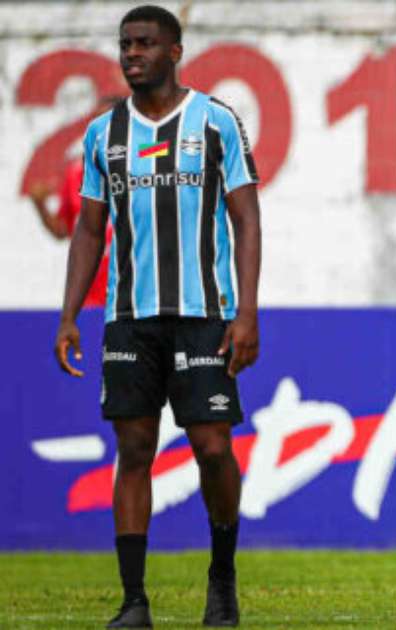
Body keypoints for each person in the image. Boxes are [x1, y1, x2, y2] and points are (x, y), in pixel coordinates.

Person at [53, 5, 262, 628]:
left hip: (204, 314)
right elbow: (88, 230)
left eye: (144, 43)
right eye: (126, 44)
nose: (132, 54)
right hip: (130, 319)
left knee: (213, 447)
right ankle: (133, 601)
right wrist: (69, 314)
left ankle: (221, 576)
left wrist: (247, 312)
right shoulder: (103, 134)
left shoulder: (217, 121)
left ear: (175, 51)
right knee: (135, 448)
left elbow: (246, 219)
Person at [29, 97, 125, 308]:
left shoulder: (148, 164)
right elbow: (63, 230)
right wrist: (40, 206)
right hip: (89, 298)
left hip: (135, 298)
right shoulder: (76, 173)